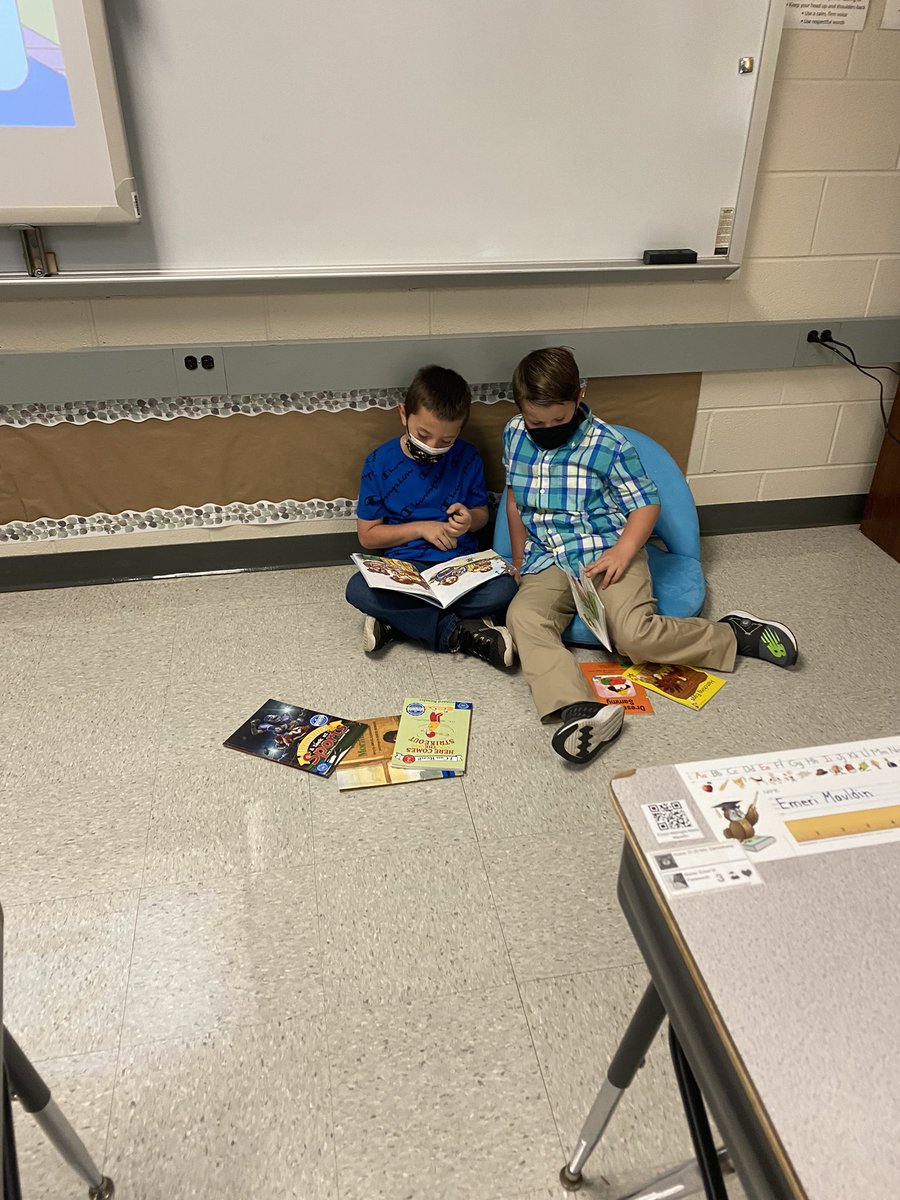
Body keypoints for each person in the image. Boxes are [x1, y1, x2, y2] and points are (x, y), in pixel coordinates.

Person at [503, 347, 799, 765]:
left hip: (606, 551)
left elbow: (645, 503)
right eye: (538, 423)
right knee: (523, 618)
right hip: (548, 556)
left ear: (580, 396)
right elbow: (516, 501)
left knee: (633, 637)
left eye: (559, 420)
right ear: (521, 410)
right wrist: (519, 561)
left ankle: (733, 635)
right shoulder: (515, 433)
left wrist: (625, 550)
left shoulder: (608, 444)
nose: (548, 429)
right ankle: (581, 709)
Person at [346, 365, 517, 667]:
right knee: (357, 588)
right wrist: (421, 529)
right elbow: (368, 535)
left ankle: (398, 624)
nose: (433, 448)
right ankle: (460, 633)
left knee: (506, 588)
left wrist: (470, 520)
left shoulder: (467, 457)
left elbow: (480, 515)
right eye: (423, 435)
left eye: (446, 441)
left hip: (459, 566)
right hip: (405, 568)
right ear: (403, 414)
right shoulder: (378, 462)